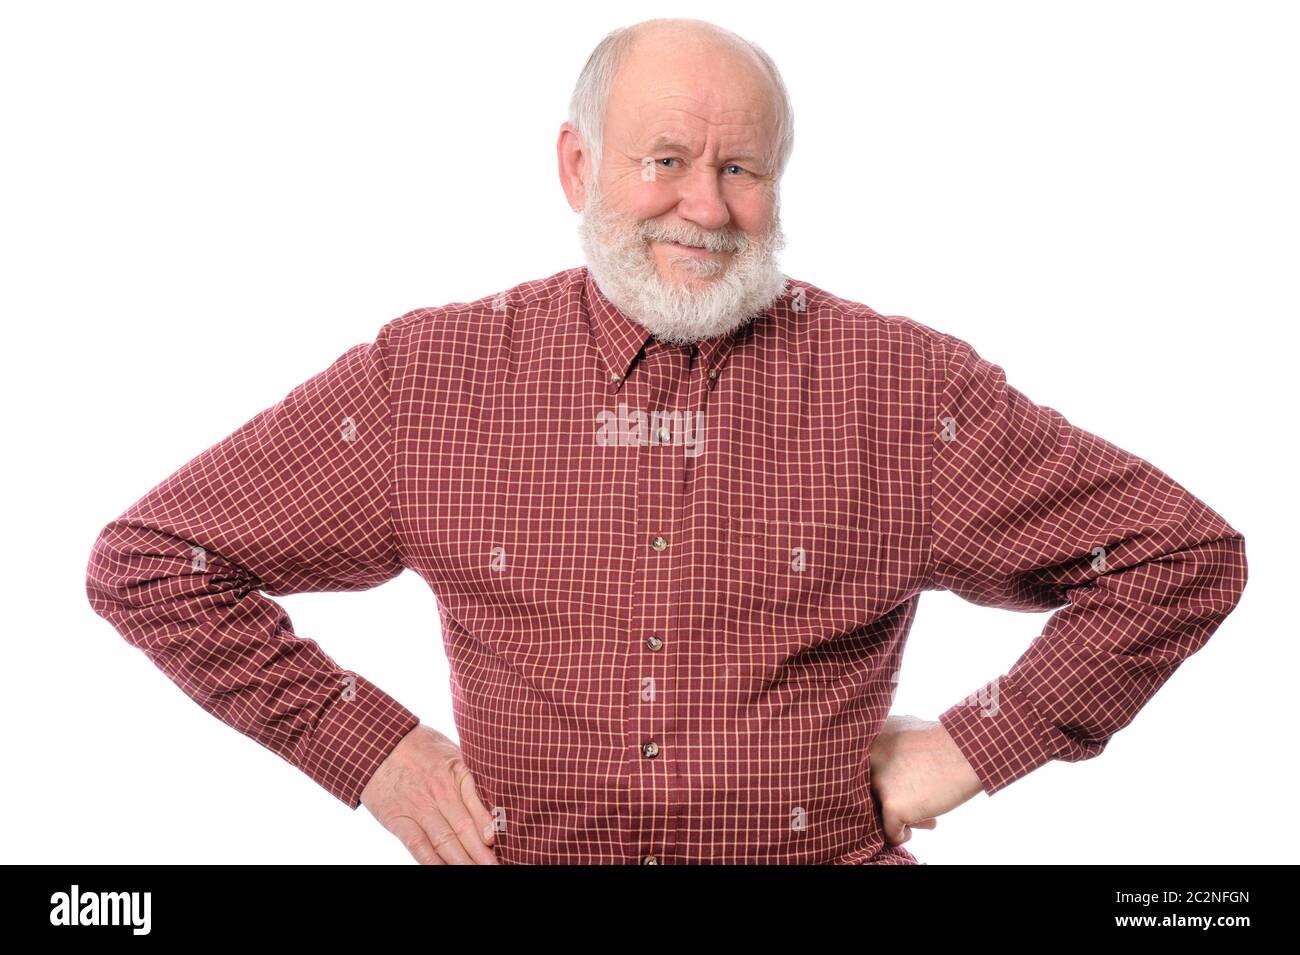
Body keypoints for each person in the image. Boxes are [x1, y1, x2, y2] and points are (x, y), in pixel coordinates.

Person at [86, 17, 1248, 864]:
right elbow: (154, 562)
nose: (705, 206)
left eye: (741, 168)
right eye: (666, 161)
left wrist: (975, 744)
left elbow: (1176, 555)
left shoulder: (905, 387)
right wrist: (373, 755)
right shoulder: (429, 376)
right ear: (578, 167)